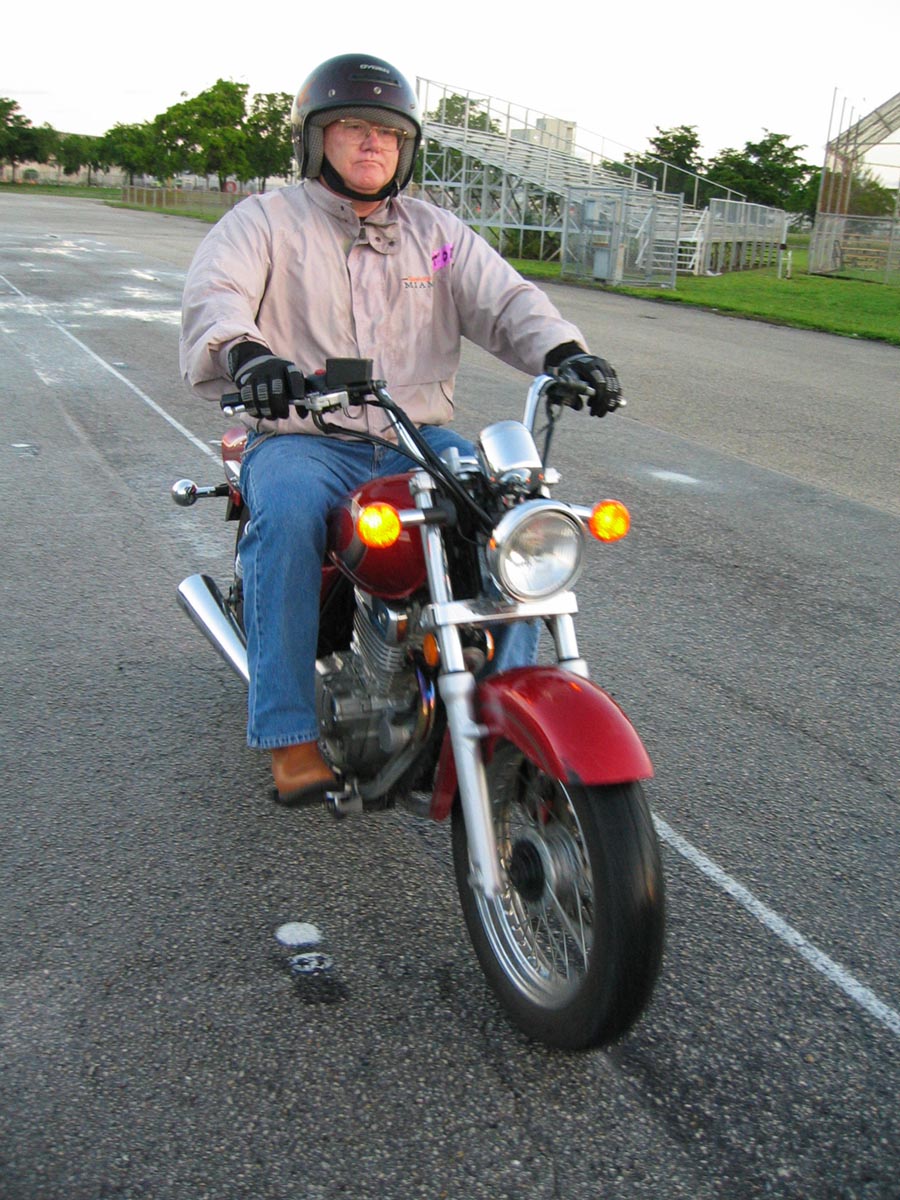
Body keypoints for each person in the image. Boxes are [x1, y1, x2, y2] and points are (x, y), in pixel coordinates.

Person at [180, 53, 623, 807]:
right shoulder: (265, 223)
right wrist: (251, 356)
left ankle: (500, 701)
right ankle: (288, 732)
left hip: (413, 440)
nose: (371, 143)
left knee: (506, 509)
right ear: (315, 139)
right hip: (302, 439)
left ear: (406, 147)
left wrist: (565, 354)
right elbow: (217, 295)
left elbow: (503, 298)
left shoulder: (436, 236)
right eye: (352, 127)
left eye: (387, 132)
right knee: (286, 514)